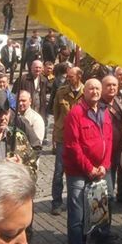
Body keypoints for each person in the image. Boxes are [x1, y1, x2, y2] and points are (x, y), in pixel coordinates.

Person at [63, 79, 120, 244]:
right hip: (79, 173)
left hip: (99, 171)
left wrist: (104, 165)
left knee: (92, 215)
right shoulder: (75, 113)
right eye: (91, 88)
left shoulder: (104, 112)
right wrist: (89, 168)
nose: (95, 91)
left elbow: (109, 140)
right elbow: (72, 146)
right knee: (77, 218)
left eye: (97, 88)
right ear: (84, 91)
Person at [51, 66, 84, 216]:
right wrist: (54, 134)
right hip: (62, 136)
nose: (68, 78)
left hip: (80, 137)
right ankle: (56, 202)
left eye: (71, 76)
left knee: (78, 170)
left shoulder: (86, 92)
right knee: (59, 171)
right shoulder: (61, 91)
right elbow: (56, 113)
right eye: (67, 76)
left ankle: (76, 200)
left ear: (79, 76)